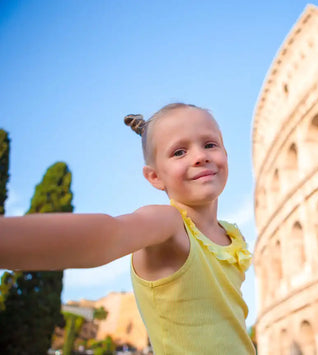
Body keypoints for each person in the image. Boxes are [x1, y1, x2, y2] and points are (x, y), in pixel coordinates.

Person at [0, 103, 255, 354]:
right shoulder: (168, 223)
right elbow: (107, 234)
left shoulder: (232, 236)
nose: (201, 156)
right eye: (179, 152)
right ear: (155, 177)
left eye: (210, 144)